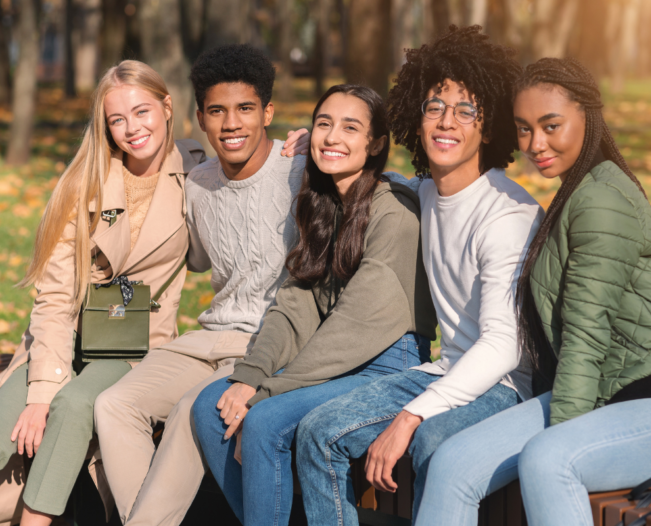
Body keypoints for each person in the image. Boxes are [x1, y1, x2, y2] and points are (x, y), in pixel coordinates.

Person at [414, 57, 651, 526]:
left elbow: (586, 341)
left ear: (588, 116)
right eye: (524, 129)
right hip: (607, 394)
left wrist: (564, 435)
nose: (535, 144)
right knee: (452, 463)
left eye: (551, 126)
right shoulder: (578, 190)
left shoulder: (601, 200)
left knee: (550, 460)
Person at [295, 25, 544, 526]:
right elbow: (377, 178)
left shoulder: (507, 215)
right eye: (435, 107)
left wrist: (413, 415)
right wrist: (314, 146)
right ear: (417, 116)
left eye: (465, 110)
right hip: (444, 370)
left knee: (432, 437)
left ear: (487, 127)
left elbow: (502, 347)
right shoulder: (423, 193)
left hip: (506, 384)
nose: (446, 122)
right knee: (317, 434)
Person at [191, 83, 436, 526]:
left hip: (386, 364)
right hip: (334, 360)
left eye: (350, 127)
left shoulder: (393, 214)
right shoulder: (324, 206)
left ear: (375, 143)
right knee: (212, 406)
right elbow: (294, 303)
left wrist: (265, 392)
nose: (332, 137)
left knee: (264, 421)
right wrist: (249, 376)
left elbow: (355, 325)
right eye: (324, 124)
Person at [92, 44, 310, 526]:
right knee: (114, 404)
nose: (231, 123)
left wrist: (318, 139)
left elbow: (374, 175)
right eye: (217, 111)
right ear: (200, 119)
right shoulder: (197, 182)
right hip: (207, 337)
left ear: (268, 112)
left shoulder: (301, 171)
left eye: (246, 109)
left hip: (268, 344)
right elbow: (184, 253)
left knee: (194, 411)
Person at [0, 60, 207, 526]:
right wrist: (39, 391)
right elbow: (53, 298)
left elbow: (248, 163)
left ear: (167, 106)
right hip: (64, 336)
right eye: (117, 119)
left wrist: (291, 148)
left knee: (75, 404)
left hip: (135, 342)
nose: (132, 129)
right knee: (9, 418)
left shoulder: (195, 168)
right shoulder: (84, 182)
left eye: (142, 112)